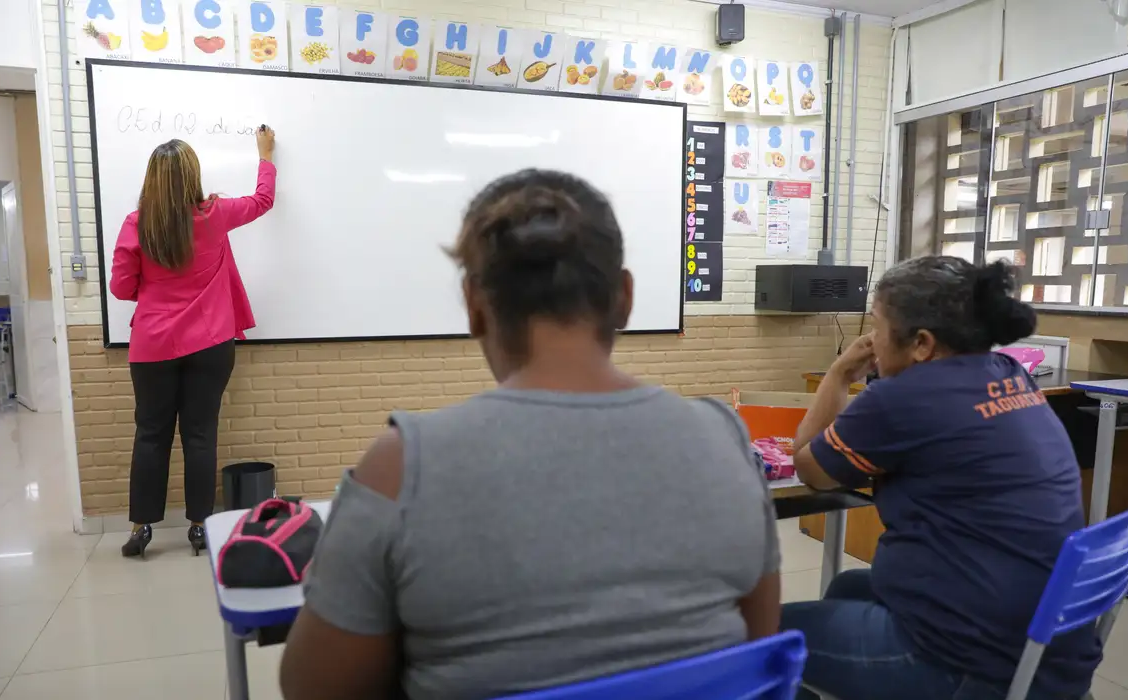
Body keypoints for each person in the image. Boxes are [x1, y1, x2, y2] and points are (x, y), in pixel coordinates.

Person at [279, 169, 782, 700]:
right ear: (625, 298)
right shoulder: (725, 439)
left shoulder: (402, 468)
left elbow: (312, 689)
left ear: (474, 305)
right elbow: (757, 649)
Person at [782, 256, 1102, 700]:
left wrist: (839, 372)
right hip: (1047, 649)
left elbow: (810, 469)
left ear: (922, 343)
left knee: (758, 635)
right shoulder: (1011, 375)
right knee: (848, 587)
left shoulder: (903, 399)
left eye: (877, 325)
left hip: (970, 665)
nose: (872, 339)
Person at [110, 129, 277, 558]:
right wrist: (265, 155)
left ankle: (140, 528)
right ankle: (200, 526)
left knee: (150, 435)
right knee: (200, 435)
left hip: (152, 347)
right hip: (210, 345)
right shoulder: (215, 215)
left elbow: (120, 286)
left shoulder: (136, 224)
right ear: (192, 176)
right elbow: (263, 201)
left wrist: (154, 295)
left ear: (152, 180)